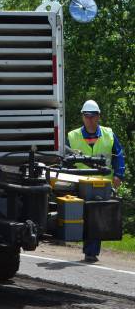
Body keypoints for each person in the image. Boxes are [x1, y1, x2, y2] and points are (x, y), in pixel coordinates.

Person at [66, 99, 125, 263]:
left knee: (96, 216)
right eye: (86, 116)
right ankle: (87, 249)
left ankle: (91, 252)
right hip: (79, 183)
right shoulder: (72, 136)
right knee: (83, 216)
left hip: (101, 184)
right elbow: (64, 159)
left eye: (92, 116)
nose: (89, 119)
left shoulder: (109, 134)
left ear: (98, 116)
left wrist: (118, 175)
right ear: (82, 117)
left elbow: (119, 155)